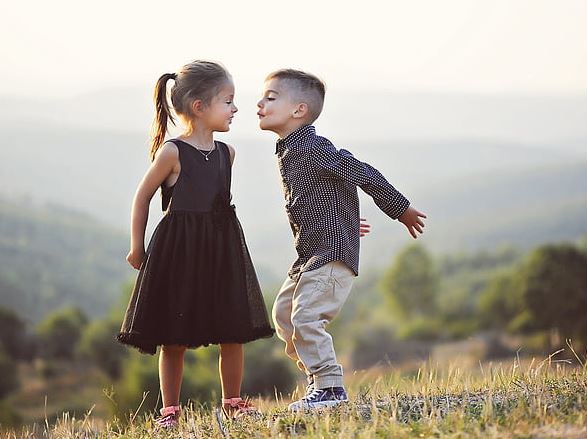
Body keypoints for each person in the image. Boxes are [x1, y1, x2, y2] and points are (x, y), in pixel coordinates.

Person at [256, 69, 427, 410]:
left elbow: (362, 172)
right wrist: (344, 220)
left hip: (331, 256)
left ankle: (331, 387)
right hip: (310, 254)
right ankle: (318, 381)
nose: (259, 103)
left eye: (271, 97)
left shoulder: (315, 148)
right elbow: (322, 195)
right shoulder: (289, 150)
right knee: (285, 317)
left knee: (306, 317)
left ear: (298, 110)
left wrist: (400, 208)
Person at [117, 60, 274, 427]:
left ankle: (232, 401)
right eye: (228, 101)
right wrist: (136, 247)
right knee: (175, 335)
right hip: (179, 252)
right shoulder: (172, 153)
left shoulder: (226, 154)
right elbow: (142, 197)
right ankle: (170, 410)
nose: (236, 109)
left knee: (232, 329)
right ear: (200, 107)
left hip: (221, 251)